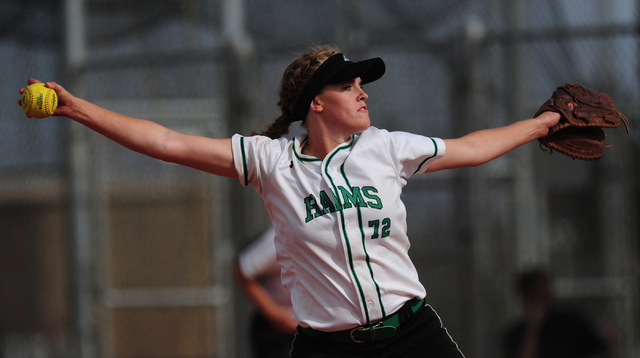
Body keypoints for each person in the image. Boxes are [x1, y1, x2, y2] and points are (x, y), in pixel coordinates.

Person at [19, 45, 560, 358]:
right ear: (316, 103)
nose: (363, 92)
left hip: (410, 333)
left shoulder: (386, 148)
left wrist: (541, 124)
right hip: (327, 350)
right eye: (349, 86)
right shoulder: (271, 162)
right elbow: (166, 142)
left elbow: (470, 148)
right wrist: (78, 110)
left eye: (360, 85)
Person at [503, 268, 609, 358]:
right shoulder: (515, 334)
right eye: (537, 293)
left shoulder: (572, 321)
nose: (544, 294)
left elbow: (599, 350)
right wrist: (533, 328)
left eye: (546, 288)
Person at [233, 227, 297, 358]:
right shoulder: (284, 234)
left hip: (316, 326)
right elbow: (242, 271)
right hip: (277, 330)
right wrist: (276, 314)